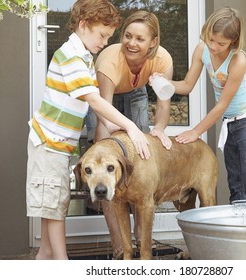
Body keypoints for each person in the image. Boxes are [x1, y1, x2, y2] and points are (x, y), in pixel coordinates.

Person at [26, 0, 150, 260]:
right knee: (56, 210)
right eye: (102, 35)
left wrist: (117, 128)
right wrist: (129, 125)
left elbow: (93, 104)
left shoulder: (84, 57)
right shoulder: (70, 56)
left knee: (52, 216)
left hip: (58, 146)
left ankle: (48, 259)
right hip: (48, 145)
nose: (105, 42)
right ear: (84, 25)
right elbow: (95, 100)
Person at [92, 10, 174, 259]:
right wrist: (104, 148)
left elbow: (163, 106)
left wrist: (158, 130)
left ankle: (142, 239)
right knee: (106, 167)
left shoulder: (163, 60)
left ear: (153, 42)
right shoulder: (108, 61)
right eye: (128, 36)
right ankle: (119, 245)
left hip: (137, 91)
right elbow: (103, 112)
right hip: (105, 99)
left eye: (140, 39)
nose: (131, 43)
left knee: (140, 162)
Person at [170, 7, 246, 204]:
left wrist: (195, 132)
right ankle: (238, 230)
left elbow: (223, 104)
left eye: (221, 43)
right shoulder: (202, 49)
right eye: (210, 39)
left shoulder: (238, 60)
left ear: (234, 40)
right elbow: (187, 86)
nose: (213, 46)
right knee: (235, 180)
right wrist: (163, 83)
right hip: (229, 123)